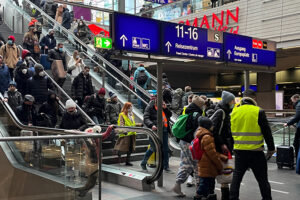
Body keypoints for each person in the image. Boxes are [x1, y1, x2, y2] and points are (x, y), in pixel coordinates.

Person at [230, 89, 275, 200]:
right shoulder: (258, 111)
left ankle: (233, 198)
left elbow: (230, 132)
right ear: (254, 98)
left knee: (236, 178)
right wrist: (271, 148)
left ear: (243, 98)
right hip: (256, 152)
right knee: (262, 180)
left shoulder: (234, 112)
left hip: (239, 151)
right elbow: (267, 132)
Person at [172, 96, 206, 196]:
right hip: (190, 143)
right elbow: (197, 133)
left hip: (184, 142)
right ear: (200, 105)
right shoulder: (197, 114)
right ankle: (196, 191)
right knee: (193, 165)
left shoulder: (188, 111)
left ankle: (180, 186)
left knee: (189, 164)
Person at [194, 117, 228, 200]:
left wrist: (223, 157)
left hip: (204, 163)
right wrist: (220, 165)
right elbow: (212, 154)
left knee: (208, 183)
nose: (213, 126)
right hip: (208, 165)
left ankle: (209, 195)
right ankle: (198, 196)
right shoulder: (207, 137)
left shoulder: (201, 134)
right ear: (207, 126)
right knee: (204, 184)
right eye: (211, 125)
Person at [210, 91, 235, 200]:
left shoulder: (225, 111)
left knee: (223, 170)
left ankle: (224, 194)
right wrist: (222, 144)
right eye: (232, 101)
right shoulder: (221, 112)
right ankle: (217, 194)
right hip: (219, 146)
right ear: (227, 101)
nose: (234, 102)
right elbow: (215, 131)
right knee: (219, 169)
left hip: (222, 145)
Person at [141, 98, 173, 173]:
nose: (162, 105)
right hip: (155, 130)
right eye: (161, 104)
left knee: (165, 149)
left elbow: (169, 115)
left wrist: (166, 108)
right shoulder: (150, 107)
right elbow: (146, 118)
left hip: (164, 130)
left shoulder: (163, 108)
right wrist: (151, 125)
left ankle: (166, 167)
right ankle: (143, 163)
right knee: (153, 148)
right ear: (156, 103)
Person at [284, 94, 300, 158]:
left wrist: (288, 123)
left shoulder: (298, 105)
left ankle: (297, 160)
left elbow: (297, 117)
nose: (292, 102)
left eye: (292, 101)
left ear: (296, 98)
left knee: (296, 144)